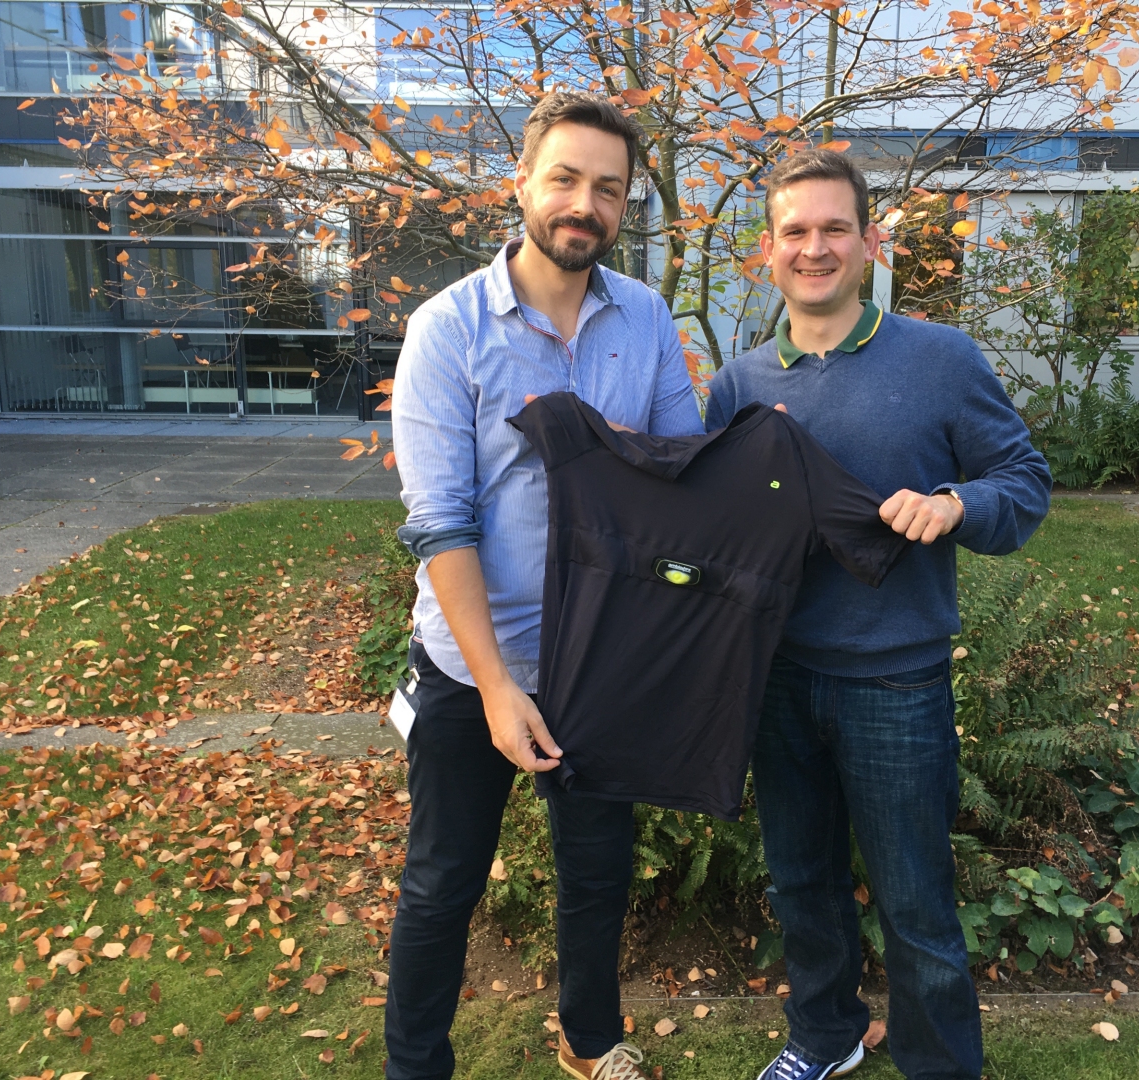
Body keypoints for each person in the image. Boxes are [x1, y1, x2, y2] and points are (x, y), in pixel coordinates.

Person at [705, 149, 1052, 1080]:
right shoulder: (738, 386)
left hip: (896, 682)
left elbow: (1025, 481)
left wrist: (957, 505)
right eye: (795, 231)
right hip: (778, 680)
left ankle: (940, 1064)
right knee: (801, 885)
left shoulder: (940, 360)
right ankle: (824, 1038)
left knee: (915, 902)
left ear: (869, 243)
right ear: (769, 252)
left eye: (835, 229)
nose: (814, 248)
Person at [386, 92, 703, 1080]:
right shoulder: (448, 329)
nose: (584, 204)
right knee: (443, 883)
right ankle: (415, 1067)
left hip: (600, 659)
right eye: (564, 179)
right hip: (469, 666)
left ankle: (590, 1038)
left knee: (597, 872)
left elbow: (679, 472)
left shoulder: (644, 317)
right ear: (521, 183)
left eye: (608, 188)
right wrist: (495, 686)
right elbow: (441, 522)